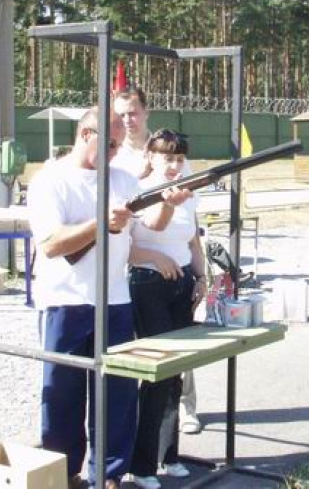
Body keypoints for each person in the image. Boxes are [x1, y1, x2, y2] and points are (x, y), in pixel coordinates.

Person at [27, 107, 191, 489]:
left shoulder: (122, 179)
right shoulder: (50, 180)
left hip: (116, 301)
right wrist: (102, 223)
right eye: (111, 143)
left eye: (118, 144)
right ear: (86, 134)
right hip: (65, 301)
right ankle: (64, 475)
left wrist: (169, 204)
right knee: (62, 397)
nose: (116, 151)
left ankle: (109, 475)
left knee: (117, 396)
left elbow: (151, 226)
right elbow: (51, 244)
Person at [110, 87, 203, 436]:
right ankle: (145, 443)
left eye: (133, 112)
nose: (127, 120)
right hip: (142, 275)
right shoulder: (118, 159)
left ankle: (176, 428)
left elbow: (191, 229)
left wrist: (201, 275)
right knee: (154, 363)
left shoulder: (171, 152)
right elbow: (145, 226)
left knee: (179, 362)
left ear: (146, 112)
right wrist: (152, 254)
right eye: (121, 114)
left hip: (179, 273)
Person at [126, 129, 207, 489]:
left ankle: (168, 454)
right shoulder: (139, 189)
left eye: (178, 158)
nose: (173, 164)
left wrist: (201, 277)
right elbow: (151, 226)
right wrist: (168, 204)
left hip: (181, 284)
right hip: (148, 285)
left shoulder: (186, 193)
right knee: (156, 374)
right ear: (151, 156)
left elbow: (193, 242)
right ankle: (141, 465)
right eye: (166, 157)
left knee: (176, 374)